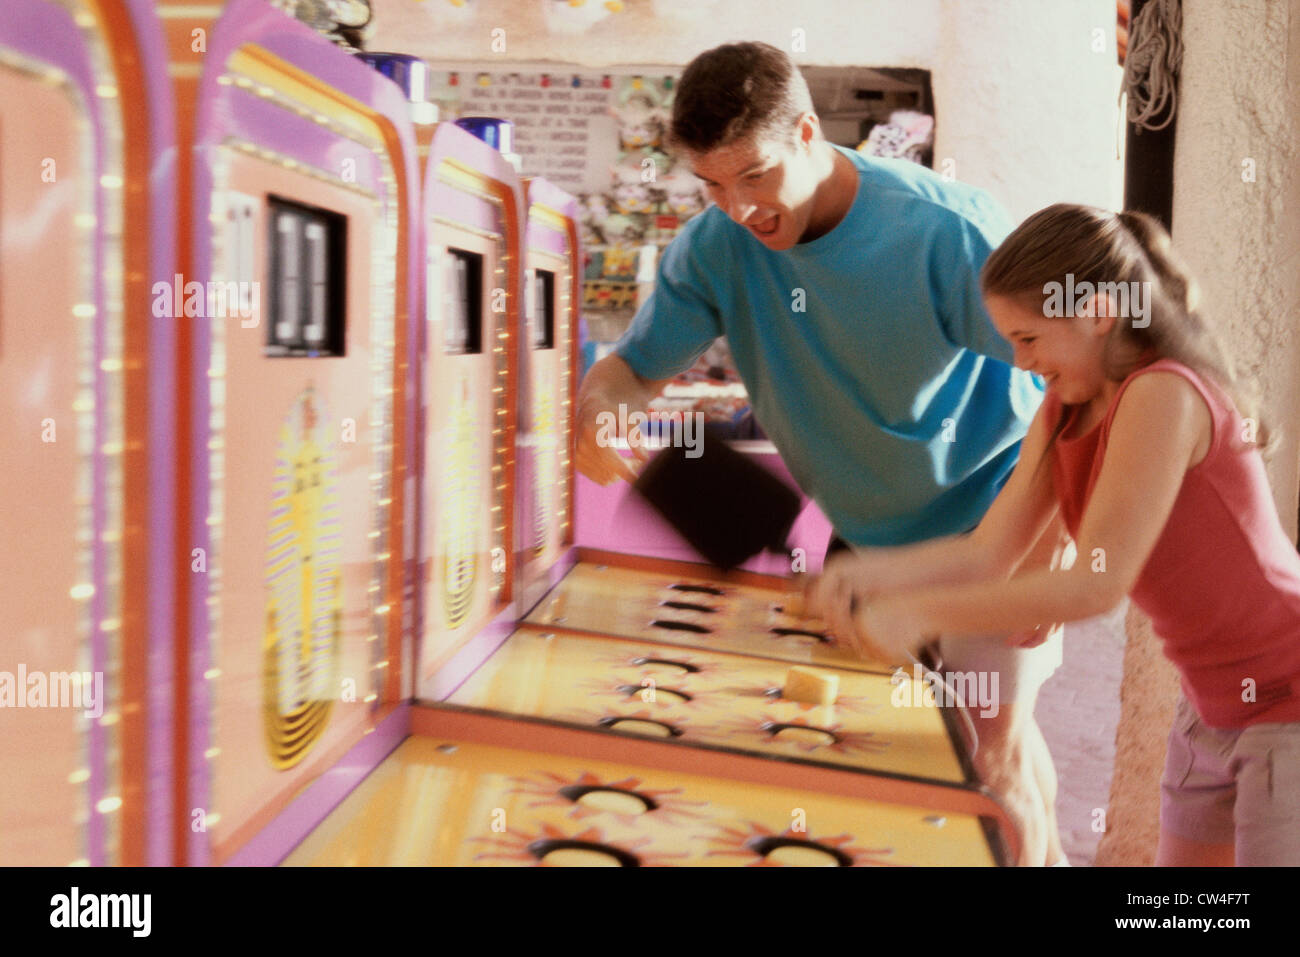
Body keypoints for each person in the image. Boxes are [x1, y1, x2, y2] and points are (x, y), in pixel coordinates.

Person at [574, 41, 1067, 865]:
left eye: (755, 175)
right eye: (712, 185)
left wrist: (1048, 547)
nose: (737, 207)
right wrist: (600, 410)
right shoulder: (714, 246)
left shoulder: (948, 230)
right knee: (894, 755)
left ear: (808, 133)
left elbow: (1078, 382)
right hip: (866, 546)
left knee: (987, 761)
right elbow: (632, 369)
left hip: (995, 532)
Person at [810, 203, 1300, 866]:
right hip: (1210, 701)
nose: (1018, 359)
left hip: (1285, 695)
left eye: (1029, 337)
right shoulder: (1065, 405)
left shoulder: (1164, 394)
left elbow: (1096, 585)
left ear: (1098, 313)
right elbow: (988, 554)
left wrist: (918, 610)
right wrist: (866, 573)